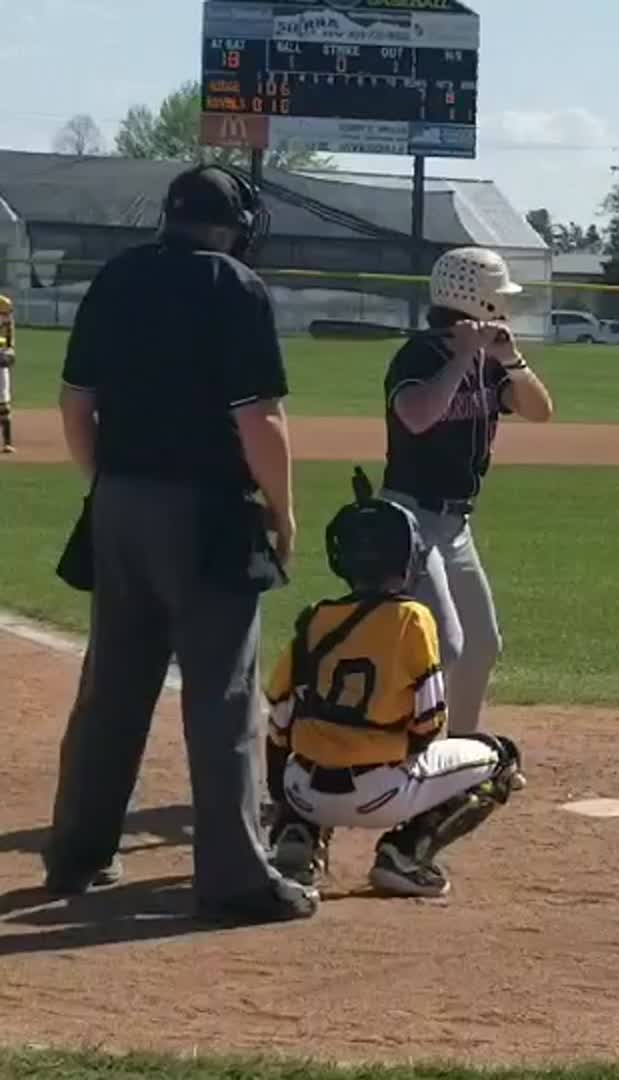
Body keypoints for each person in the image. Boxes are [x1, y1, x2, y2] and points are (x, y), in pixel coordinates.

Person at [44, 163, 317, 923]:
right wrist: (282, 511)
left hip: (120, 505)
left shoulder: (118, 277)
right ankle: (235, 880)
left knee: (112, 690)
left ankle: (75, 854)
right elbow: (260, 419)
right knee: (223, 697)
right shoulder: (234, 286)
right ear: (235, 224)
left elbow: (75, 403)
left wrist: (108, 485)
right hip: (207, 510)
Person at [263, 468, 524, 898]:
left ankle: (299, 835)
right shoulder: (413, 619)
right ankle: (405, 855)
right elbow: (428, 724)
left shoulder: (314, 620)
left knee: (306, 740)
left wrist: (284, 797)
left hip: (304, 790)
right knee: (500, 759)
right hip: (379, 795)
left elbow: (278, 723)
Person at [382, 247, 554, 739]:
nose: (503, 305)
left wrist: (512, 360)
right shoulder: (418, 354)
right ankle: (397, 746)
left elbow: (540, 411)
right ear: (472, 296)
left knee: (481, 644)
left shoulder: (489, 358)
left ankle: (460, 752)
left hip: (456, 525)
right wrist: (460, 358)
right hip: (410, 520)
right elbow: (416, 416)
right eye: (497, 296)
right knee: (447, 646)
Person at [0, 292, 16, 453]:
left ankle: (7, 442)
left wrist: (9, 352)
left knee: (3, 402)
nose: (7, 316)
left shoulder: (4, 304)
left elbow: (8, 340)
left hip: (0, 364)